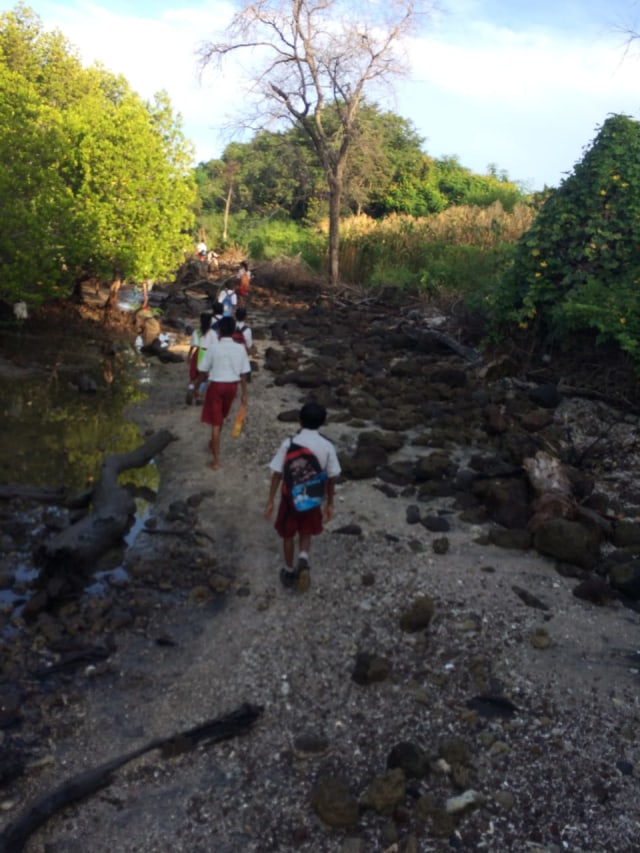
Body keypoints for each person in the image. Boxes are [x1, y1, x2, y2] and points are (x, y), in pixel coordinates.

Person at [264, 402, 341, 592]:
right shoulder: (327, 446)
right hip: (313, 495)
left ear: (299, 420)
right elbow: (332, 478)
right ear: (323, 422)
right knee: (306, 530)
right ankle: (303, 558)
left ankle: (289, 570)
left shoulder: (289, 443)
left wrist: (270, 500)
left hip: (290, 497)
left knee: (288, 534)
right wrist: (329, 503)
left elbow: (277, 473)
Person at [196, 316, 250, 470]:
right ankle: (213, 443)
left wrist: (196, 388)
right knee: (221, 418)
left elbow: (203, 370)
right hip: (231, 387)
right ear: (234, 330)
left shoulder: (213, 348)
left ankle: (216, 461)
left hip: (216, 386)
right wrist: (244, 394)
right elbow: (243, 374)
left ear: (219, 330)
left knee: (215, 422)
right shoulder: (240, 348)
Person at [186, 313, 214, 405]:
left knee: (193, 375)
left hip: (198, 353)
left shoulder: (196, 332)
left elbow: (193, 346)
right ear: (210, 322)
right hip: (207, 354)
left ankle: (191, 388)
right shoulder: (213, 333)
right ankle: (197, 394)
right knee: (203, 376)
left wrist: (189, 356)